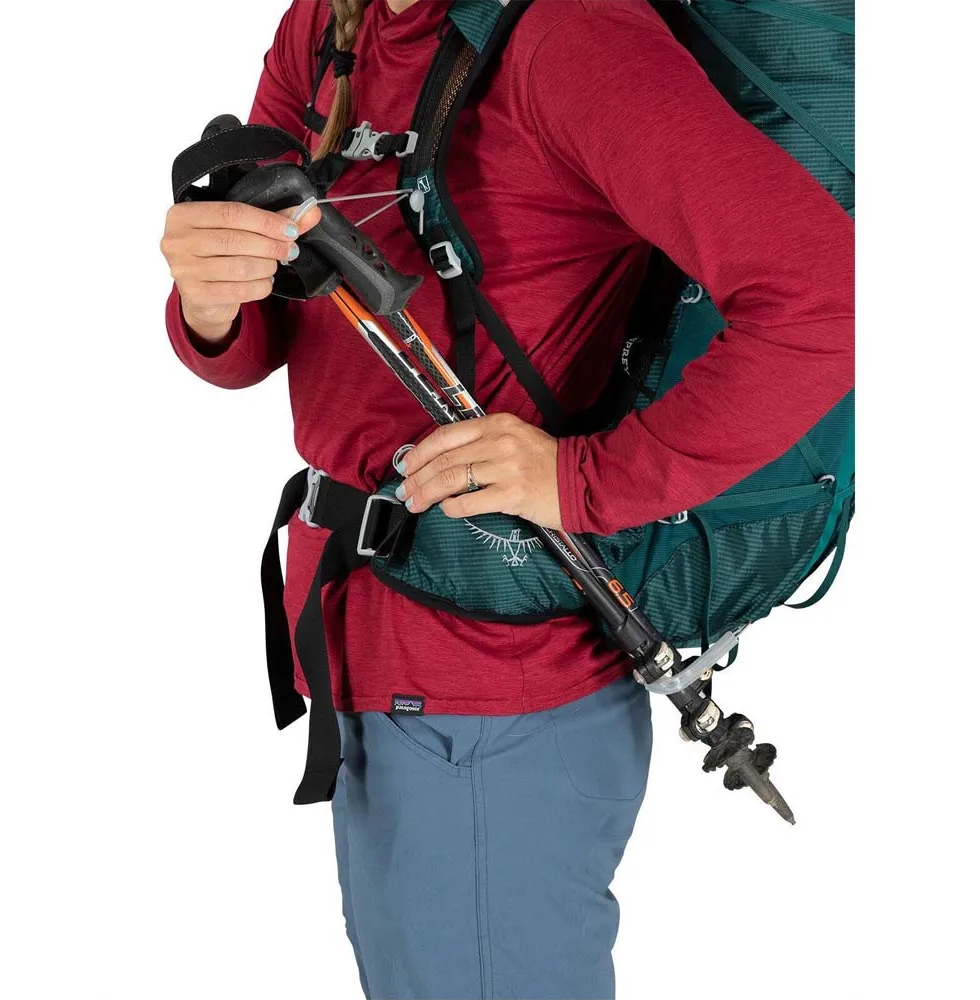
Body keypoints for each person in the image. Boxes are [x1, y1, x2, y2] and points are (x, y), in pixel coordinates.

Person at [160, 1, 854, 997]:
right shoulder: (330, 24)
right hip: (371, 655)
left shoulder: (569, 37)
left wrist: (583, 481)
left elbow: (826, 296)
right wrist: (209, 300)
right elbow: (271, 330)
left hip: (495, 693)